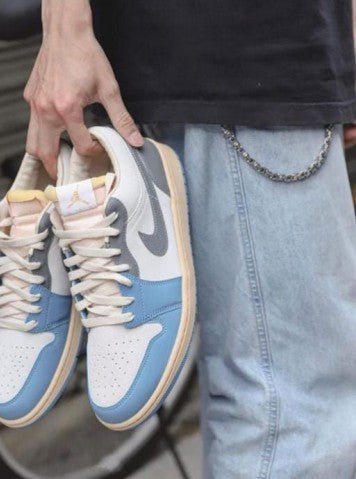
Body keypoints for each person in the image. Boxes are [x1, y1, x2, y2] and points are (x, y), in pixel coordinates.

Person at [23, 1, 356, 477]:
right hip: (242, 60)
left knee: (258, 394)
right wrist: (61, 29)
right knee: (291, 413)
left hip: (250, 58)